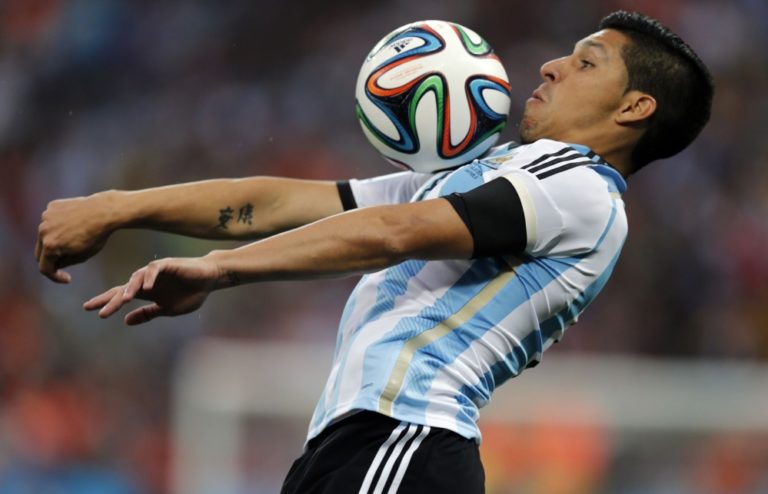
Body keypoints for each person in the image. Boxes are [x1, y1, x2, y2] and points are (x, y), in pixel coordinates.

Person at [35, 10, 713, 494]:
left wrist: (218, 270)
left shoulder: (582, 190)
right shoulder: (498, 173)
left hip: (404, 439)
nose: (551, 65)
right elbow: (280, 202)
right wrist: (117, 207)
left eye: (586, 62)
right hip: (362, 445)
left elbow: (392, 232)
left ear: (634, 108)